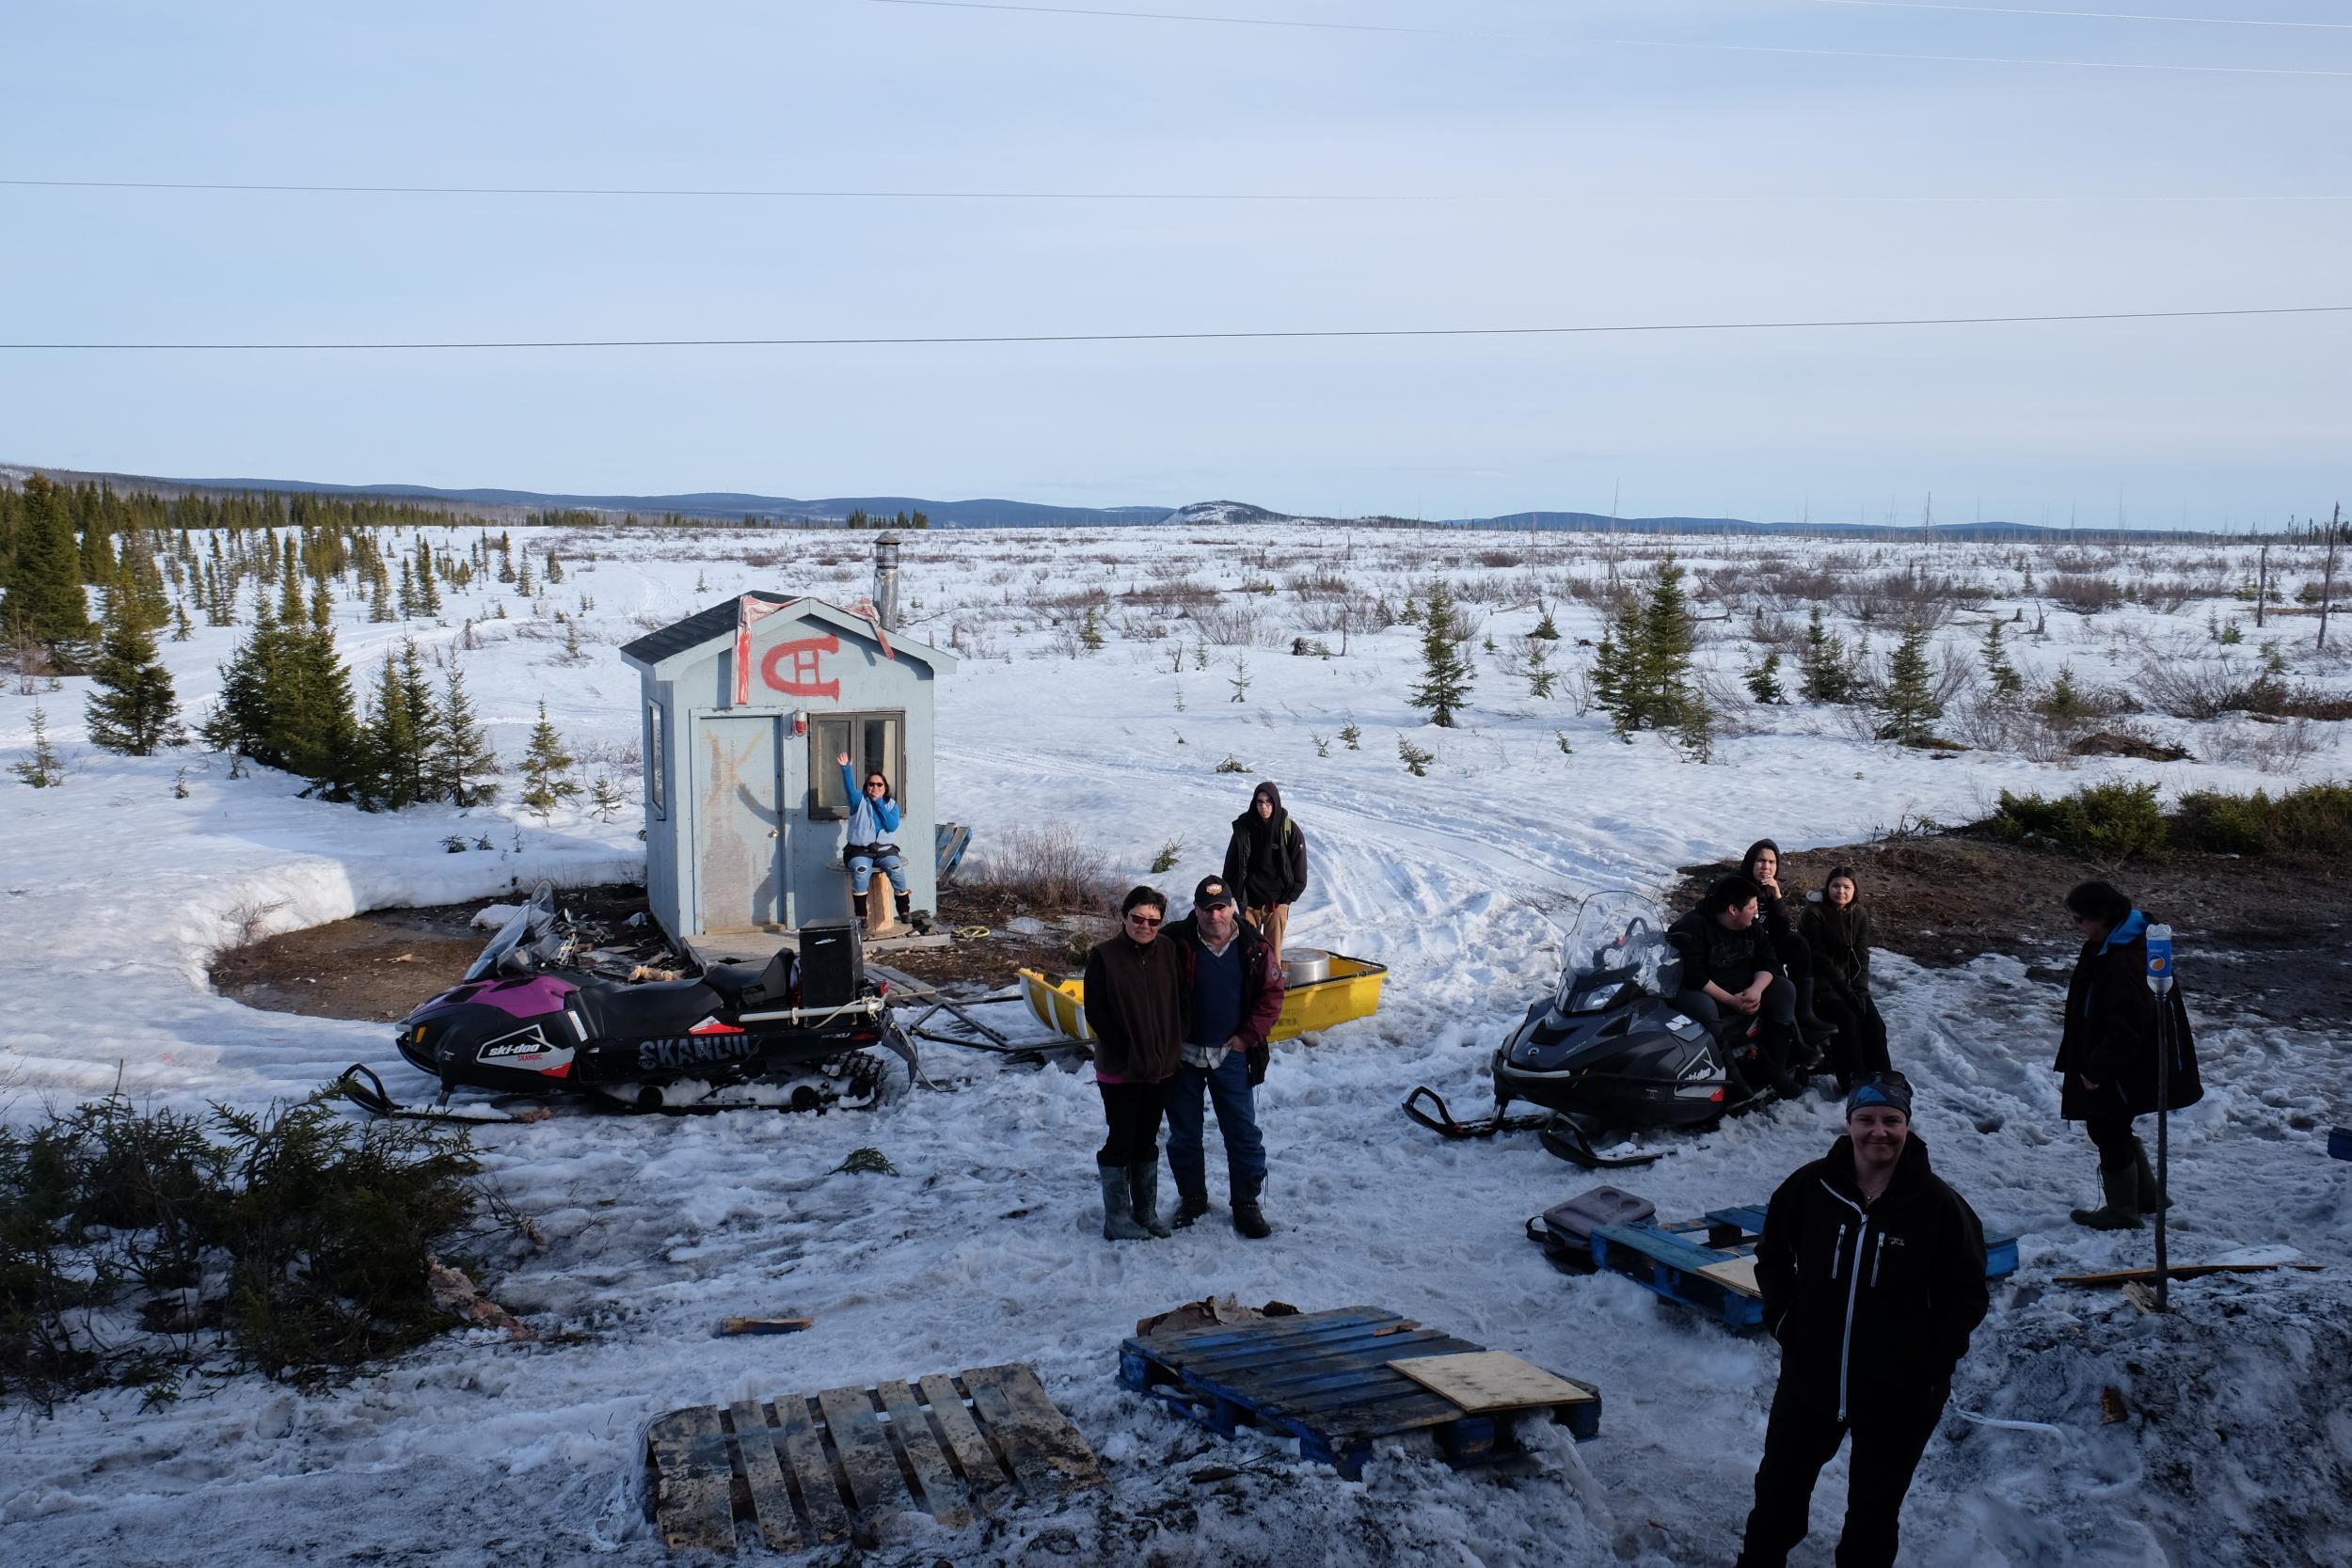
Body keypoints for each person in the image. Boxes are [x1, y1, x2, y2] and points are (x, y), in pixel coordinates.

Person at [1736, 1072, 1990, 1568]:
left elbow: (1967, 1294)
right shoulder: (1810, 1188)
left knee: (1874, 1509)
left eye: (1891, 1120)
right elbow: (1771, 1255)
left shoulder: (1939, 1206)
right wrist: (1786, 1321)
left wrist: (1931, 1359)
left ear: (1907, 1125)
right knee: (1779, 1491)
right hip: (1812, 1376)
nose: (1880, 1131)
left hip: (1901, 1391)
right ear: (1849, 1123)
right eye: (1867, 1119)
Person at [2056, 879, 2201, 1231]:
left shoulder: (2126, 959)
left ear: (2103, 917)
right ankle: (2147, 1197)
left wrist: (2097, 1069)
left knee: (2107, 1126)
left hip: (2125, 1063)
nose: (2076, 927)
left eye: (2080, 919)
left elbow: (2127, 1027)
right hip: (2127, 1059)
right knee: (2114, 1124)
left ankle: (2123, 1210)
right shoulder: (2111, 943)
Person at [1162, 876, 1285, 1239]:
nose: (1214, 915)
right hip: (1182, 1056)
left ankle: (1245, 1203)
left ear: (1231, 907)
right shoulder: (1174, 942)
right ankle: (1193, 1198)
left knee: (1242, 1132)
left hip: (1230, 1054)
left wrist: (1248, 1038)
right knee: (1184, 1134)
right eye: (1206, 908)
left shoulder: (1254, 946)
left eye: (1220, 907)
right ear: (1196, 909)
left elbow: (1271, 996)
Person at [1082, 885, 1188, 1241]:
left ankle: (1145, 1211)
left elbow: (1180, 1000)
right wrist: (1129, 1049)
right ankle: (1117, 1218)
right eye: (1137, 918)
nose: (1145, 926)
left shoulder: (1169, 951)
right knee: (1121, 1138)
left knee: (1147, 1139)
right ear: (1124, 917)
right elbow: (1096, 1010)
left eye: (1153, 921)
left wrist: (1173, 1041)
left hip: (1160, 1066)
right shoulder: (1103, 956)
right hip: (1121, 1067)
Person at [1666, 875, 1804, 1098]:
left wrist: (1756, 989)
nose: (1756, 911)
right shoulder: (1693, 926)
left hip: (1745, 987)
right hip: (1708, 990)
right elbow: (1693, 974)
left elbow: (1768, 959)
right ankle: (1732, 1079)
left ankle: (1774, 1069)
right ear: (1733, 909)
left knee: (1784, 989)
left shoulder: (1750, 925)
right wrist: (1730, 1000)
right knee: (1702, 1006)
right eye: (1751, 907)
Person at [1800, 864, 1892, 1096]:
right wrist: (1845, 990)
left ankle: (1883, 1079)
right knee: (1848, 1022)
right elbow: (1819, 958)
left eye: (1846, 887)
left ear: (1854, 890)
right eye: (1835, 885)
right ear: (1827, 887)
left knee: (1874, 1024)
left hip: (1850, 983)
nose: (1841, 891)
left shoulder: (1859, 913)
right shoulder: (1814, 913)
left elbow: (1861, 955)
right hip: (1821, 983)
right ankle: (1853, 1082)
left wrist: (1860, 989)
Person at [1741, 839, 1836, 1053]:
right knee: (1779, 979)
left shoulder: (1767, 888)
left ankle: (1805, 1013)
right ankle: (1796, 1040)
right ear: (1750, 862)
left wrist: (1777, 896)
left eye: (1772, 862)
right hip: (1745, 949)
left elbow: (1781, 929)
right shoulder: (1739, 887)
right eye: (1761, 861)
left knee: (1797, 942)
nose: (1766, 867)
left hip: (1765, 944)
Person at [1221, 781, 1309, 969]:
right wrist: (1230, 897)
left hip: (1276, 906)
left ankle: (1272, 993)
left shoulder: (1289, 830)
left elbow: (1300, 873)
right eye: (1260, 802)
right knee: (1247, 956)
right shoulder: (1243, 829)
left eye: (1268, 802)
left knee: (1271, 958)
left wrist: (1286, 901)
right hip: (1249, 904)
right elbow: (1230, 867)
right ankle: (1248, 994)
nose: (1264, 807)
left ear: (1276, 803)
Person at [838, 752, 918, 933]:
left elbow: (891, 826)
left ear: (884, 788)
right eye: (871, 784)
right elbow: (849, 788)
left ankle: (904, 910)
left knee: (897, 869)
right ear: (866, 787)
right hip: (859, 851)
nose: (875, 787)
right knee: (861, 871)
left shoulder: (891, 805)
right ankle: (861, 916)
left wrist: (879, 804)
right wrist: (846, 769)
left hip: (884, 851)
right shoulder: (858, 802)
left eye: (879, 785)